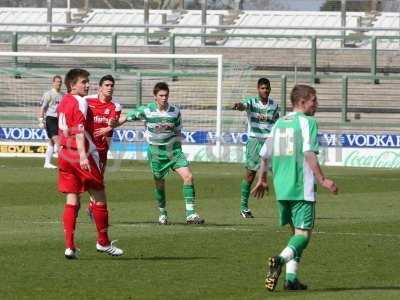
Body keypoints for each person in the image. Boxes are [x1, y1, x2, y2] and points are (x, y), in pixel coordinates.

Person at [251, 84, 338, 291]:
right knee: (303, 236)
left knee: (295, 235)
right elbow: (309, 153)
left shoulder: (280, 122)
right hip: (301, 186)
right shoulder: (308, 122)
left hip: (281, 188)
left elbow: (264, 154)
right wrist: (323, 180)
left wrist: (262, 179)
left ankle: (291, 279)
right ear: (302, 102)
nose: (316, 104)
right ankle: (279, 261)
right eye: (314, 100)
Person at [57, 68, 123, 259]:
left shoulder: (64, 101)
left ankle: (69, 246)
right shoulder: (79, 102)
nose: (87, 85)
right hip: (79, 155)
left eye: (87, 81)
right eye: (83, 82)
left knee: (72, 199)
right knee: (99, 197)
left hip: (64, 154)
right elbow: (78, 130)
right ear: (72, 85)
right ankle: (103, 242)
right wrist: (84, 155)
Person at [117, 82, 204, 225]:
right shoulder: (146, 110)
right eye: (161, 95)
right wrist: (112, 125)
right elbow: (126, 117)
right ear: (155, 97)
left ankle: (191, 214)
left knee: (188, 177)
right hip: (156, 151)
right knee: (160, 183)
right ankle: (163, 213)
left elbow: (178, 130)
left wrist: (176, 144)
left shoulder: (175, 111)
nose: (164, 98)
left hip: (174, 150)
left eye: (166, 95)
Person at [232, 78, 279, 218]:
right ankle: (243, 207)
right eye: (263, 88)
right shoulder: (252, 102)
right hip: (254, 141)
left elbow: (277, 123)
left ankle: (288, 205)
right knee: (250, 174)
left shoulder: (274, 105)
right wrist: (239, 105)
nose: (265, 90)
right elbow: (243, 106)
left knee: (280, 173)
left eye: (267, 88)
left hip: (270, 143)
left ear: (270, 89)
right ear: (258, 89)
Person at [85, 75, 122, 222]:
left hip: (101, 150)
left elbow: (114, 122)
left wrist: (110, 125)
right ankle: (93, 207)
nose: (110, 88)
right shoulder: (87, 101)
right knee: (88, 180)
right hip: (86, 147)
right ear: (100, 87)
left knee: (98, 181)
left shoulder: (115, 106)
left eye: (112, 85)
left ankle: (92, 204)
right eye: (107, 85)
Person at [38, 75, 63, 169]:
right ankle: (64, 163)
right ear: (53, 83)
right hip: (50, 119)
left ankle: (47, 163)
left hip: (59, 120)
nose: (59, 83)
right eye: (57, 81)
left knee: (52, 142)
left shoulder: (63, 95)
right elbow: (42, 107)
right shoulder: (48, 94)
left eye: (60, 82)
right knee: (58, 141)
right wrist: (40, 120)